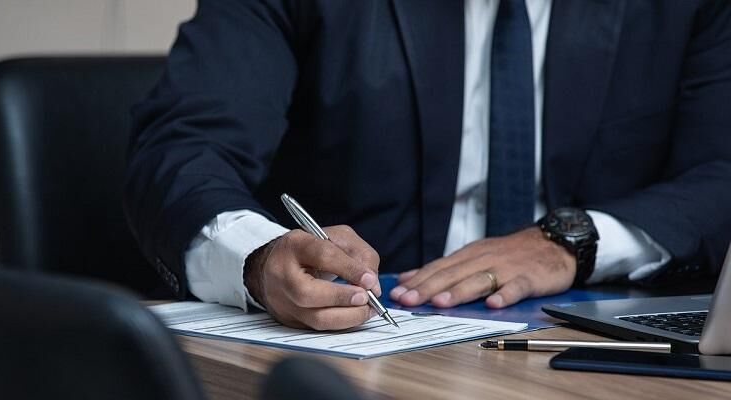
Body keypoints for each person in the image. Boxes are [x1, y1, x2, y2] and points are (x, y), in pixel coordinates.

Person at [124, 0, 731, 330]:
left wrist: (574, 241)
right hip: (356, 350)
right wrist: (259, 259)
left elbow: (720, 174)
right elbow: (183, 150)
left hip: (579, 351)